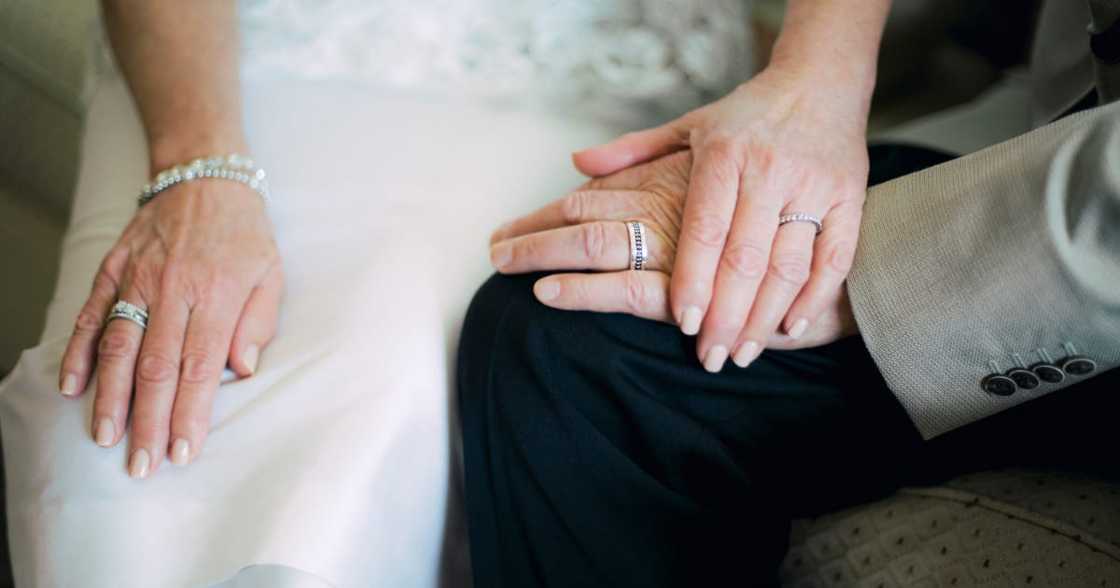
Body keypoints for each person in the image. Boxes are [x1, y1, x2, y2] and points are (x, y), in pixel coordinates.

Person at [0, 0, 760, 586]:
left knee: (400, 403)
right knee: (129, 433)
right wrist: (198, 165)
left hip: (598, 70)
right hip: (245, 51)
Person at [459, 1, 1120, 586]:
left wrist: (872, 276)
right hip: (1043, 121)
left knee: (586, 352)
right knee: (562, 314)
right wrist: (816, 76)